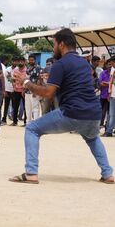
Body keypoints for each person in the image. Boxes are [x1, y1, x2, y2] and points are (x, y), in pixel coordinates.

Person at [10, 28, 113, 184]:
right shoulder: (85, 64)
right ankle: (108, 174)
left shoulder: (60, 64)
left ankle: (31, 173)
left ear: (62, 44)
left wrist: (25, 82)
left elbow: (48, 93)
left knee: (32, 129)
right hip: (94, 113)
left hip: (72, 112)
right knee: (92, 138)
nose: (54, 48)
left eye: (55, 44)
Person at [24, 55, 42, 123]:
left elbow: (39, 79)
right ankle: (28, 123)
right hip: (27, 91)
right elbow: (26, 79)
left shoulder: (38, 68)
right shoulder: (28, 68)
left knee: (35, 108)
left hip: (35, 91)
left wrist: (35, 91)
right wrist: (24, 90)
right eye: (30, 60)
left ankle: (36, 123)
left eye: (32, 60)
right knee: (28, 108)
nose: (31, 61)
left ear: (35, 60)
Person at [10, 57, 27, 126]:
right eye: (19, 61)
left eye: (22, 61)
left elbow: (27, 81)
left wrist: (24, 89)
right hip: (16, 90)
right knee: (15, 106)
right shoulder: (15, 70)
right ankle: (14, 121)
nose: (20, 63)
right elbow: (13, 79)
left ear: (24, 62)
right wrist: (13, 85)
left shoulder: (27, 70)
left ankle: (26, 122)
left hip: (23, 91)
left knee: (25, 107)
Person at [99, 58, 112, 128]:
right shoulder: (103, 73)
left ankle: (107, 127)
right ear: (106, 65)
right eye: (108, 64)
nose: (109, 66)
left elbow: (112, 84)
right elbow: (100, 83)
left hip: (111, 96)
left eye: (111, 64)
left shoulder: (113, 73)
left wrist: (106, 83)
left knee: (109, 112)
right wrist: (110, 83)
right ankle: (101, 125)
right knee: (102, 111)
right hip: (103, 95)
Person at [1, 58, 14, 125]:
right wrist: (5, 90)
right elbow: (6, 80)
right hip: (8, 89)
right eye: (13, 61)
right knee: (6, 105)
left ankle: (14, 120)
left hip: (15, 90)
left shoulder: (17, 69)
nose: (14, 62)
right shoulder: (7, 69)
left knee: (15, 105)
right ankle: (4, 119)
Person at [104, 61, 115, 137]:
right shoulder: (113, 70)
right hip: (112, 95)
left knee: (112, 114)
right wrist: (109, 92)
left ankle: (109, 131)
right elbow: (111, 83)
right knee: (111, 114)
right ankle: (109, 130)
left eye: (112, 63)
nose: (111, 65)